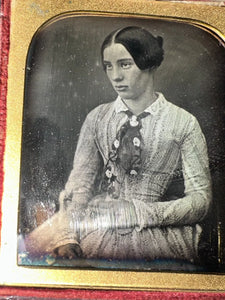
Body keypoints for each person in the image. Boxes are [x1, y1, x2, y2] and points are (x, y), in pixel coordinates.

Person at [25, 26, 212, 265]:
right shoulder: (98, 118)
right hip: (96, 223)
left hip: (155, 232)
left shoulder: (184, 123)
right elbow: (79, 185)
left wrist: (138, 212)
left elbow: (200, 201)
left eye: (125, 64)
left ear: (150, 64)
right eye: (108, 66)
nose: (115, 76)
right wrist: (67, 235)